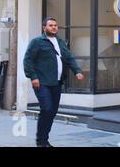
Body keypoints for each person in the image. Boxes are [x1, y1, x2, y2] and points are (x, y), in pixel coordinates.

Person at [23, 17, 84, 147]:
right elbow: (27, 60)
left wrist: (77, 71)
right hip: (42, 82)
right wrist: (33, 77)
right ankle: (40, 140)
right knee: (47, 108)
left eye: (55, 25)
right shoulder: (37, 42)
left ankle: (44, 139)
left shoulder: (61, 42)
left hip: (57, 82)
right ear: (44, 28)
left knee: (52, 111)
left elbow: (69, 58)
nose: (54, 27)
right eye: (51, 25)